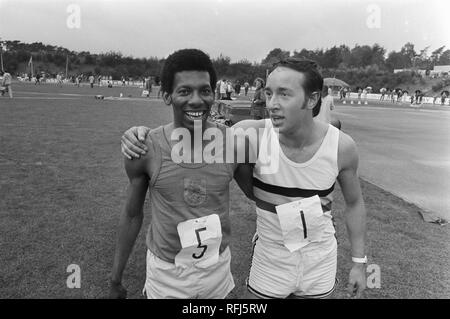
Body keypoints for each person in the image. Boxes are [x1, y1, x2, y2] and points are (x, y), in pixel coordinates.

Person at [121, 57, 367, 299]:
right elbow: (196, 131)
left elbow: (354, 203)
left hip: (320, 257)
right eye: (269, 93)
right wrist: (139, 134)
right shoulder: (250, 135)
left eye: (284, 94)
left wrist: (358, 262)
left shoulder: (341, 147)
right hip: (270, 259)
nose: (272, 103)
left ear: (312, 98)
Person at [110, 48, 252, 299]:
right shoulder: (146, 148)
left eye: (204, 90)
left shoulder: (234, 143)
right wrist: (115, 278)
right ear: (166, 96)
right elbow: (132, 215)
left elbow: (259, 193)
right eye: (185, 91)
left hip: (217, 269)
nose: (197, 100)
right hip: (167, 274)